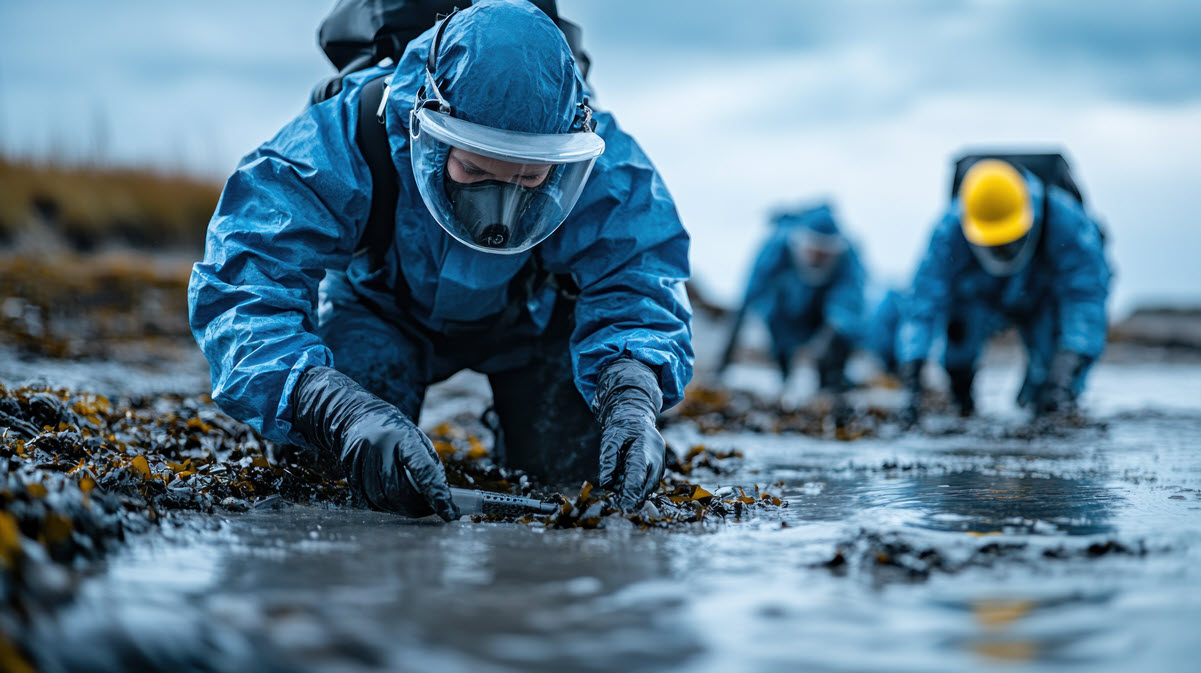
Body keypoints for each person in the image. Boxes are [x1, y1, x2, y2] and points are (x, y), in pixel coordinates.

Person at [188, 1, 693, 520]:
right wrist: (329, 405)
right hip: (381, 313)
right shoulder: (347, 134)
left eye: (527, 178)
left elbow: (640, 279)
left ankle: (522, 426)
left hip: (531, 323)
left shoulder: (596, 155)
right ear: (429, 126)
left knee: (584, 469)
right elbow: (243, 285)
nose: (498, 213)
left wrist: (632, 396)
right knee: (335, 469)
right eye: (475, 169)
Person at [897, 156, 1110, 424]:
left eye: (1008, 241)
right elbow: (923, 301)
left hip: (1042, 301)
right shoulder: (949, 229)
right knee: (957, 352)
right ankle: (962, 403)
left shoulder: (1066, 220)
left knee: (1050, 388)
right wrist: (913, 367)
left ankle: (1051, 407)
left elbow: (1084, 298)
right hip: (978, 300)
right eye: (993, 242)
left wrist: (1071, 359)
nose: (1001, 250)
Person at [718, 202, 865, 393]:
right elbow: (748, 297)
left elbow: (849, 303)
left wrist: (831, 339)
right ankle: (785, 376)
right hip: (783, 311)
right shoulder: (776, 246)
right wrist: (722, 362)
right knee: (775, 323)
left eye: (825, 255)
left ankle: (831, 382)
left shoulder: (848, 256)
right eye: (813, 252)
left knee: (846, 328)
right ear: (800, 244)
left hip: (821, 310)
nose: (818, 260)